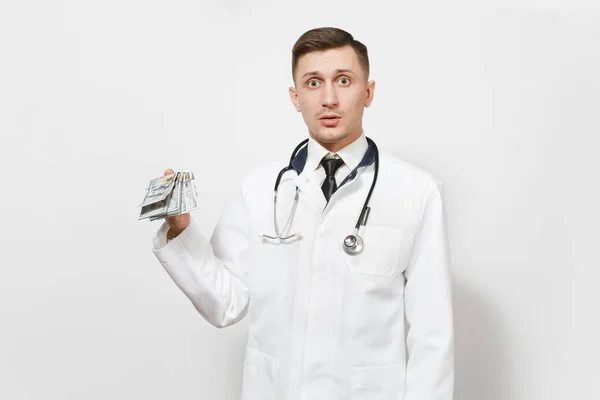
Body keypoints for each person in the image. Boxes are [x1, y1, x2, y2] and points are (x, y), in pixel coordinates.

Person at [152, 27, 454, 400]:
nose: (329, 98)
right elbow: (225, 304)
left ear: (368, 92)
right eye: (313, 83)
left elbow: (432, 334)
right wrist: (181, 230)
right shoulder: (260, 188)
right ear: (295, 97)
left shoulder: (416, 191)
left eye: (343, 80)